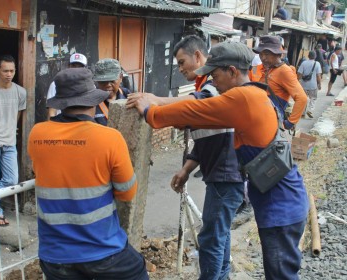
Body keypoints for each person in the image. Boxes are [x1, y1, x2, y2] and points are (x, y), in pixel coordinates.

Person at [127, 41, 309, 280]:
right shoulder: (256, 92)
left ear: (232, 71)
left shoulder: (240, 98)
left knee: (280, 275)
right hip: (282, 201)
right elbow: (198, 109)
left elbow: (192, 110)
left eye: (215, 75)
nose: (213, 81)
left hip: (280, 206)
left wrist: (149, 110)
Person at [130, 35, 244, 280]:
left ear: (198, 56)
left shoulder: (213, 89)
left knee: (212, 239)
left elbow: (195, 104)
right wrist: (186, 169)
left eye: (182, 62)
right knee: (219, 236)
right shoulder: (208, 87)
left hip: (226, 174)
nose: (180, 69)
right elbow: (206, 136)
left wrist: (155, 102)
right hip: (222, 174)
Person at [28, 68, 149, 280]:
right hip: (103, 251)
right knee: (137, 270)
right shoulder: (110, 138)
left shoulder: (37, 134)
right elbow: (127, 193)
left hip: (54, 256)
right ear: (93, 101)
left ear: (61, 103)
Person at [0, 55, 27, 227]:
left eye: (12, 70)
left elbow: (17, 116)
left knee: (11, 179)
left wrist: (10, 131)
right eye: (5, 71)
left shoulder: (20, 92)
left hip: (10, 141)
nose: (9, 74)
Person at [253, 35, 307, 130]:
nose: (263, 58)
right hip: (262, 119)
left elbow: (302, 98)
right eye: (261, 54)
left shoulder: (284, 71)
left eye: (266, 54)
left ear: (277, 54)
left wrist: (290, 123)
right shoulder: (268, 70)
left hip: (271, 122)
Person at [46, 53, 88, 119]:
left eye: (80, 66)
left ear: (85, 69)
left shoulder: (89, 85)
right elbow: (51, 112)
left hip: (82, 124)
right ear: (69, 66)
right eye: (74, 66)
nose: (76, 69)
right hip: (62, 124)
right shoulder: (56, 84)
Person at [93, 58, 131, 126]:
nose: (108, 85)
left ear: (121, 77)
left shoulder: (128, 95)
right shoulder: (91, 102)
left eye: (112, 80)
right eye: (103, 81)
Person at [297, 51, 322, 119]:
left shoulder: (304, 63)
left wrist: (297, 81)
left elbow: (299, 73)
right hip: (313, 85)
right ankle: (310, 110)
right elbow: (318, 75)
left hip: (303, 85)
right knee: (313, 98)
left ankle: (303, 113)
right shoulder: (317, 64)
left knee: (304, 99)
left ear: (308, 56)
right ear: (315, 56)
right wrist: (319, 83)